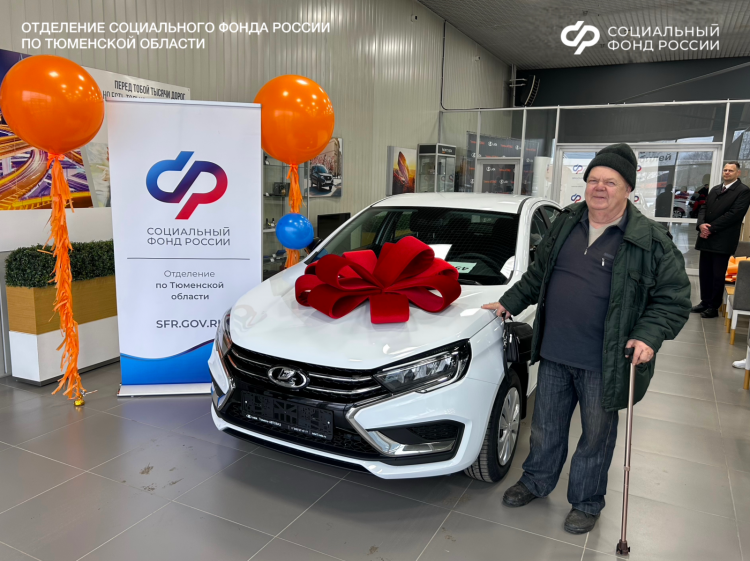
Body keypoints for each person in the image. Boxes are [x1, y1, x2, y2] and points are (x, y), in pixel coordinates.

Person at [482, 143, 691, 535]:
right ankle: (536, 481)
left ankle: (587, 501)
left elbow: (674, 299)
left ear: (628, 189)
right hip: (556, 351)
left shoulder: (650, 240)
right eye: (593, 179)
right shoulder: (566, 222)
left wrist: (648, 336)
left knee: (596, 437)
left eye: (610, 182)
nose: (599, 188)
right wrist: (509, 302)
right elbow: (539, 274)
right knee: (545, 427)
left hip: (605, 361)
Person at [692, 162, 750, 318]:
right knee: (705, 273)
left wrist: (710, 228)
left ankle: (713, 307)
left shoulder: (743, 191)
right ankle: (704, 302)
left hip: (723, 240)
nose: (727, 172)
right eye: (725, 170)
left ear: (738, 173)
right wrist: (701, 225)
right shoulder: (715, 189)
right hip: (706, 239)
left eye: (731, 170)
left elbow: (734, 214)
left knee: (717, 275)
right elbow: (704, 208)